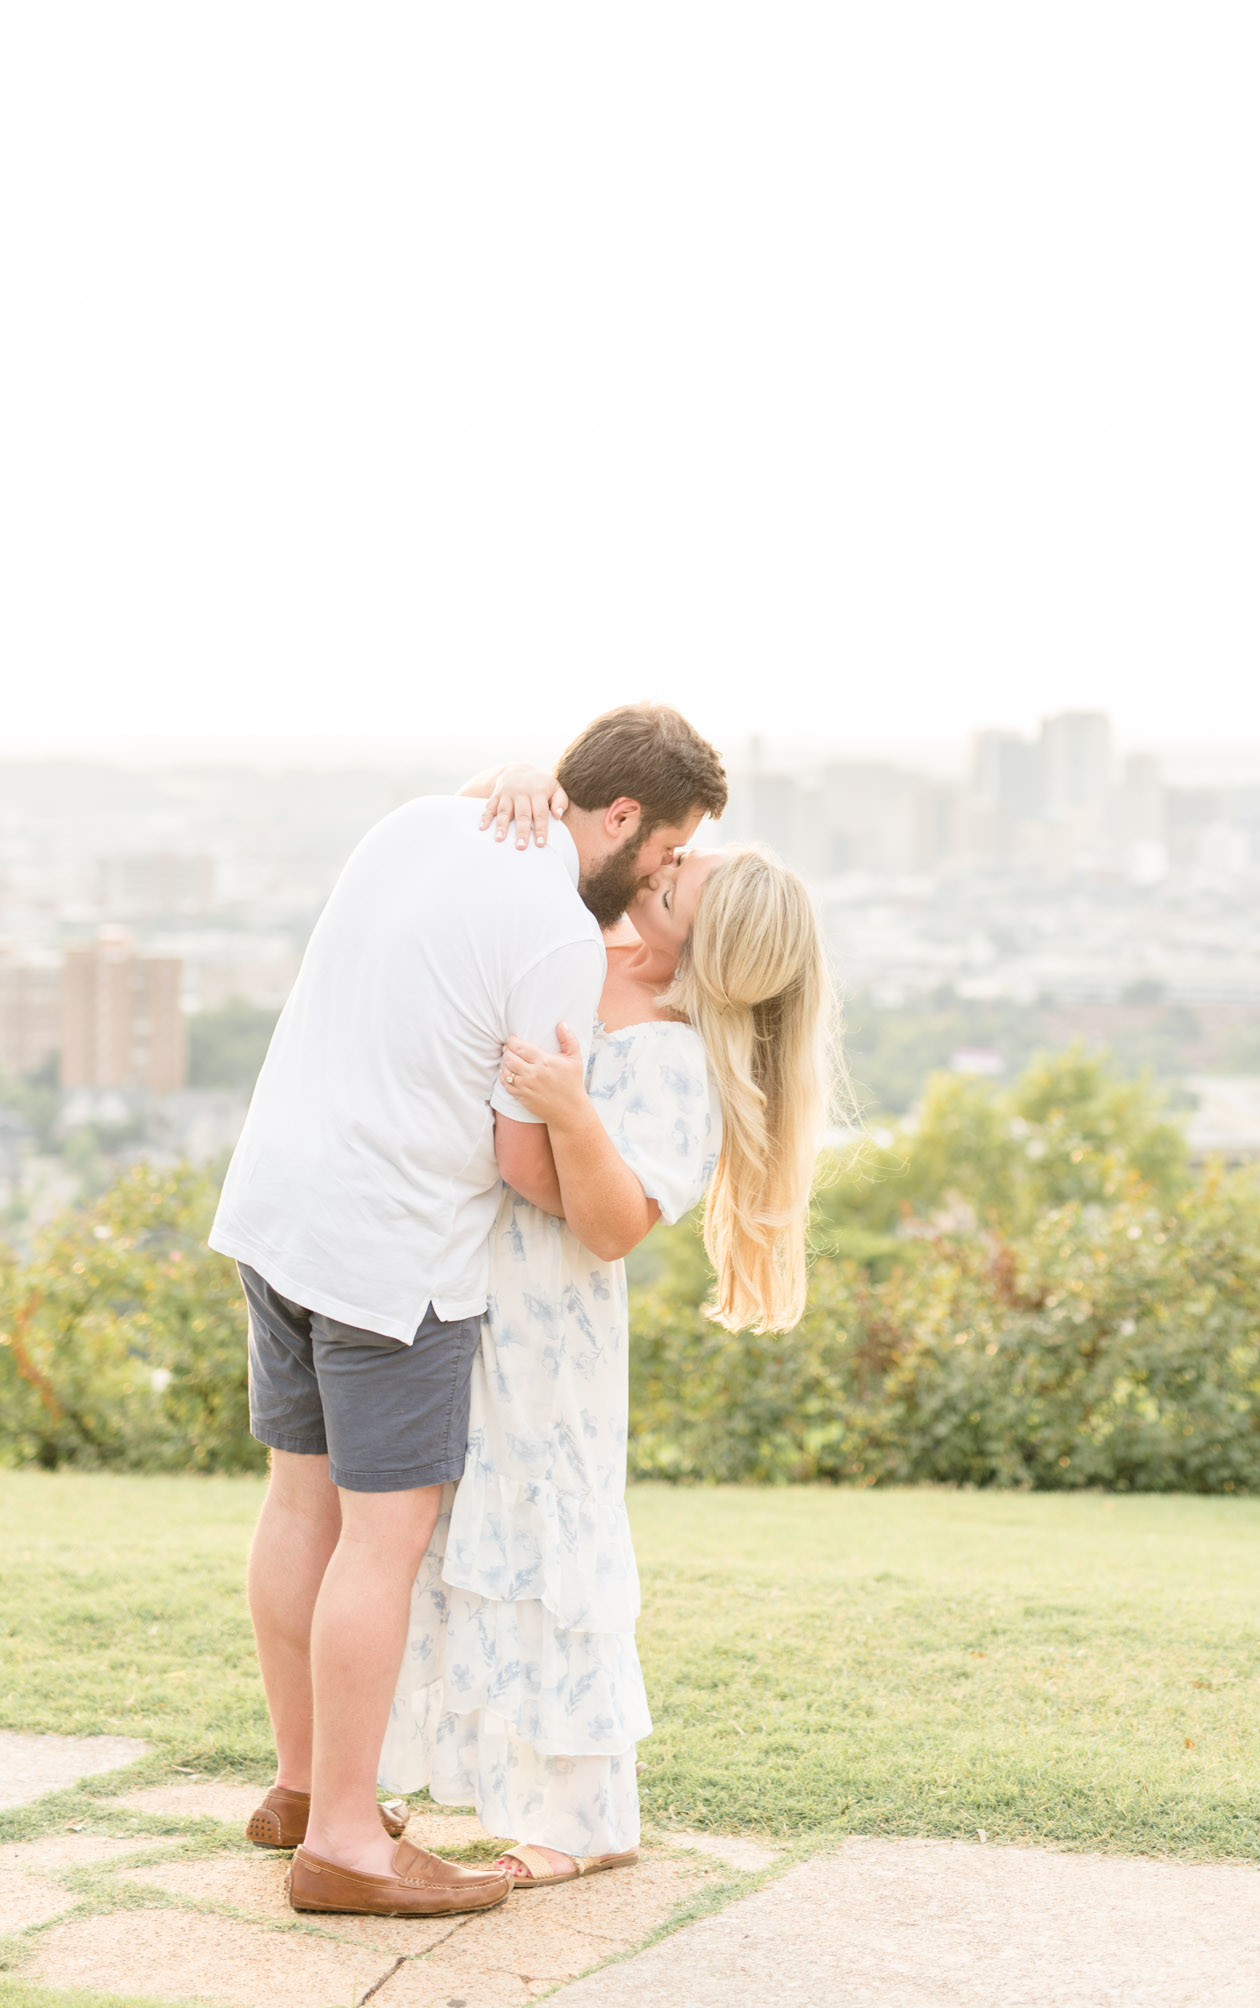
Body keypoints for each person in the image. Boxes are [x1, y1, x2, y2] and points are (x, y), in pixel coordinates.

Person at [207, 704, 727, 1919]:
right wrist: (603, 1174)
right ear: (618, 816)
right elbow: (519, 1162)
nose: (653, 878)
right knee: (381, 1541)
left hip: (277, 1205)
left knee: (299, 1504)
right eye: (662, 853)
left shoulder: (412, 825)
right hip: (391, 1252)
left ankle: (297, 1785)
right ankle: (342, 1839)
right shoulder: (554, 930)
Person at [379, 773, 838, 1887]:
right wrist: (530, 785)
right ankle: (432, 1772)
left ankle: (583, 1817)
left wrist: (572, 1109)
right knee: (446, 1524)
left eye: (683, 874)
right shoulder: (589, 948)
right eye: (671, 853)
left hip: (552, 1328)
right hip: (470, 1285)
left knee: (549, 1539)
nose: (662, 863)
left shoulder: (679, 1056)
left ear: (700, 936)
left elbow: (610, 1222)